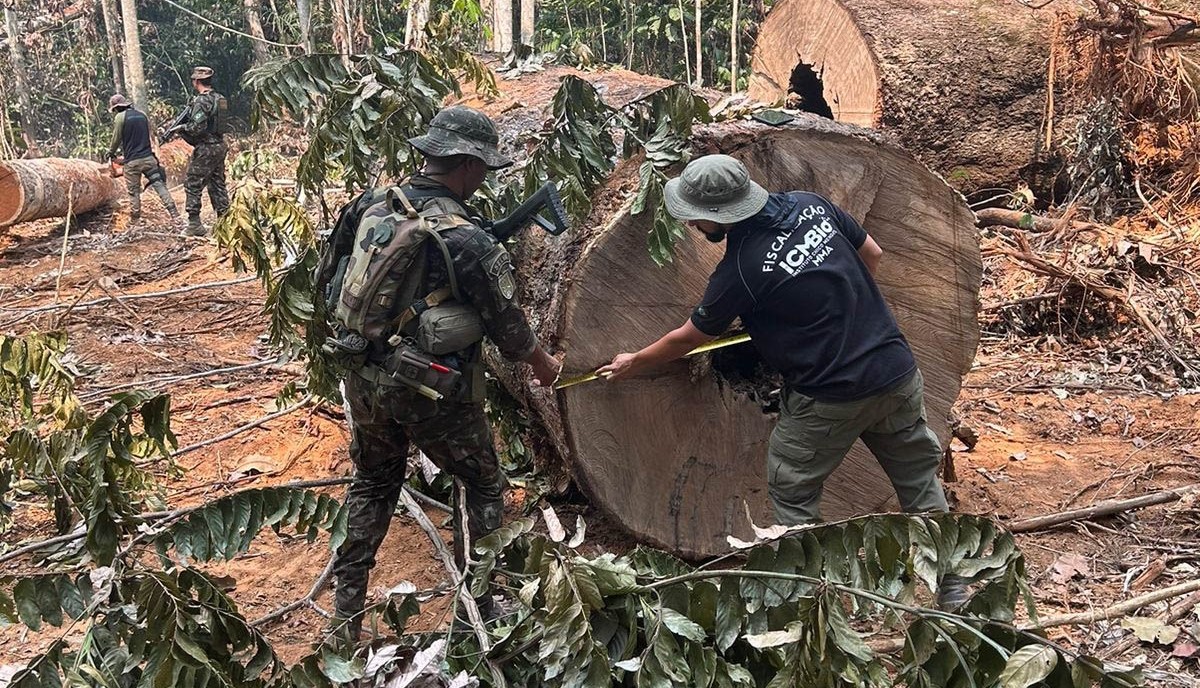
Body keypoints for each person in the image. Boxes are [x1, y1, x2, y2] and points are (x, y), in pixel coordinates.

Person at [597, 154, 949, 526]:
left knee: (793, 491)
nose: (689, 222)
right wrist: (843, 310)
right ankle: (952, 581)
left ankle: (807, 583)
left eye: (694, 215)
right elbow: (872, 253)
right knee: (918, 480)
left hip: (830, 396)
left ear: (721, 214)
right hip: (898, 371)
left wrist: (635, 360)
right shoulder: (812, 205)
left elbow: (689, 338)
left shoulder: (739, 273)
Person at [322, 106, 561, 640]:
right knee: (481, 482)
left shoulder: (370, 203)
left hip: (363, 378)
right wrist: (546, 367)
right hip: (433, 389)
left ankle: (344, 622)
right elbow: (510, 327)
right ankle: (477, 610)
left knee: (372, 483)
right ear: (468, 166)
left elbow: (328, 282)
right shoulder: (467, 239)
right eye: (484, 169)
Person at [168, 66, 230, 236]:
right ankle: (225, 223)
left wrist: (181, 128)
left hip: (207, 148)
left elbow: (197, 128)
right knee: (217, 184)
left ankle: (194, 224)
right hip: (219, 145)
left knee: (192, 183)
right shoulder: (220, 98)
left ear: (196, 81)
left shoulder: (201, 101)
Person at [105, 94, 179, 225]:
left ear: (116, 108)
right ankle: (174, 214)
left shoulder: (120, 118)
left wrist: (110, 153)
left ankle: (135, 220)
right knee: (159, 185)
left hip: (133, 163)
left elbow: (116, 139)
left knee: (134, 192)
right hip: (148, 159)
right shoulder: (142, 115)